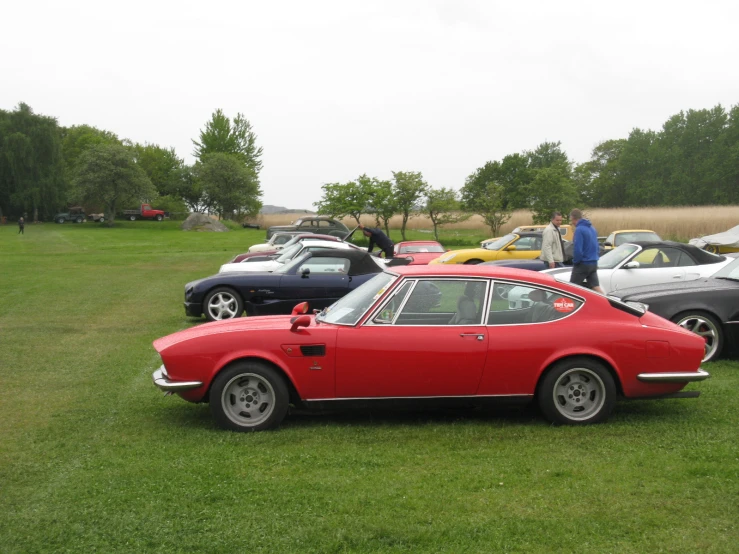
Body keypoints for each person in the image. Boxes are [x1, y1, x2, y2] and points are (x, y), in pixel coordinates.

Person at [569, 209, 604, 293]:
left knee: (571, 288)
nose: (572, 223)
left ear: (574, 218)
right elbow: (597, 246)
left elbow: (578, 249)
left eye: (571, 220)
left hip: (583, 263)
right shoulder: (592, 228)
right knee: (595, 287)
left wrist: (575, 262)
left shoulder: (579, 229)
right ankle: (608, 303)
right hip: (593, 262)